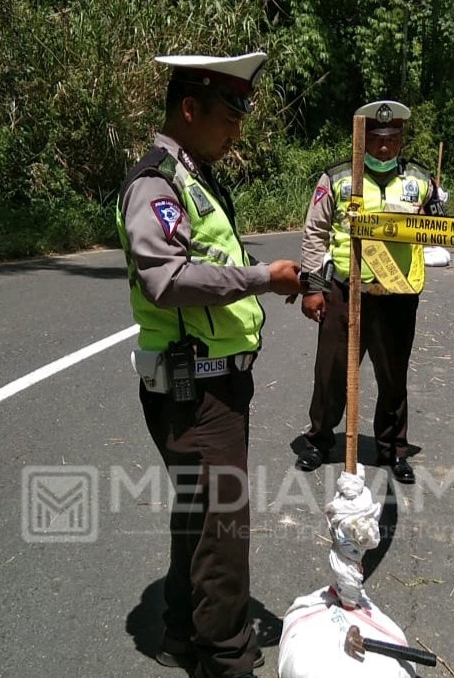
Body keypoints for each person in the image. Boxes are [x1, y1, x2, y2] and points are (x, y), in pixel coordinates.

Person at [116, 52, 304, 678]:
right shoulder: (156, 184)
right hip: (193, 389)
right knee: (224, 531)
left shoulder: (193, 176)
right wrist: (260, 278)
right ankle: (226, 658)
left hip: (214, 383)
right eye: (227, 116)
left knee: (201, 513)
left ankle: (179, 628)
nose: (236, 131)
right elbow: (165, 281)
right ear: (189, 109)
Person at [294, 100, 446, 484]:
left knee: (393, 376)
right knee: (330, 371)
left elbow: (440, 229)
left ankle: (393, 449)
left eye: (391, 139)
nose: (383, 148)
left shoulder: (420, 181)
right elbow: (315, 234)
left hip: (398, 294)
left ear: (401, 139)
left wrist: (438, 218)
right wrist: (313, 287)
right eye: (376, 139)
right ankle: (318, 440)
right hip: (346, 290)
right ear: (361, 139)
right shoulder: (338, 179)